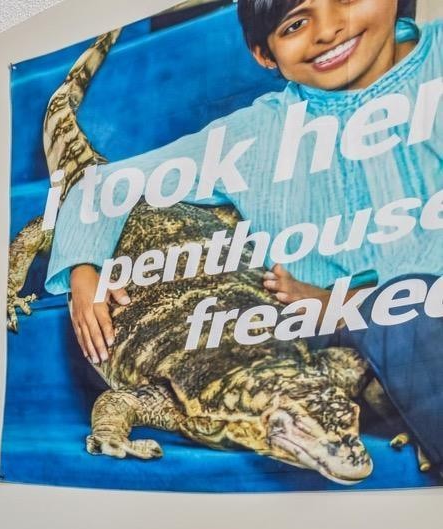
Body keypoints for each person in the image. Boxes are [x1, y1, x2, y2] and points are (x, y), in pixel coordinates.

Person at [48, 0, 437, 363]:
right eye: (295, 23)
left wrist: (344, 303)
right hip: (344, 350)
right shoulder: (253, 134)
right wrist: (83, 270)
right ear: (264, 54)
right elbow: (102, 185)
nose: (329, 29)